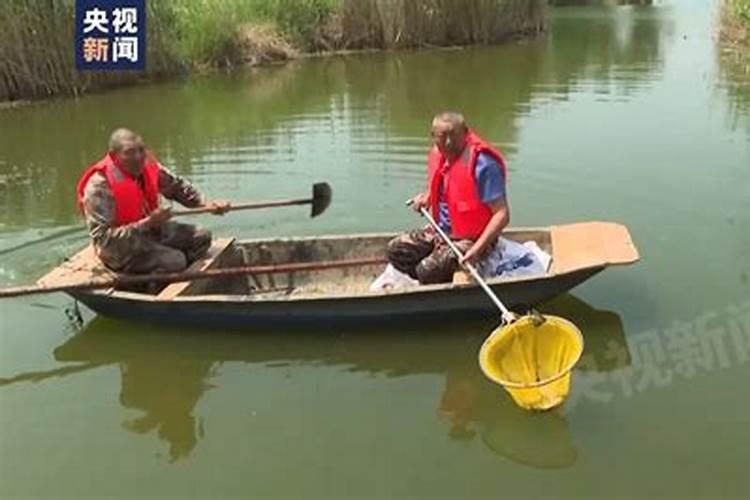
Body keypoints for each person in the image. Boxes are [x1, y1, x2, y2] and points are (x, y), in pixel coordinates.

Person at [77, 128, 230, 274]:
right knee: (176, 261)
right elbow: (103, 240)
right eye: (129, 153)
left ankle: (169, 269)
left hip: (151, 232)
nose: (138, 157)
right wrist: (148, 223)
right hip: (119, 248)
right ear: (114, 155)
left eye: (141, 150)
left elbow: (176, 186)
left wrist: (206, 204)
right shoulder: (99, 186)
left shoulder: (147, 165)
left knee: (202, 236)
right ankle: (146, 283)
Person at [387, 112, 510, 284]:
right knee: (396, 250)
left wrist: (477, 248)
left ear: (465, 132)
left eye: (454, 135)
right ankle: (437, 277)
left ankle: (438, 277)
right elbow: (445, 188)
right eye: (442, 137)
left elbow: (502, 214)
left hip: (472, 239)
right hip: (441, 232)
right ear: (433, 137)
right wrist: (427, 197)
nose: (449, 142)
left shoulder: (484, 164)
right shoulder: (441, 155)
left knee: (426, 271)